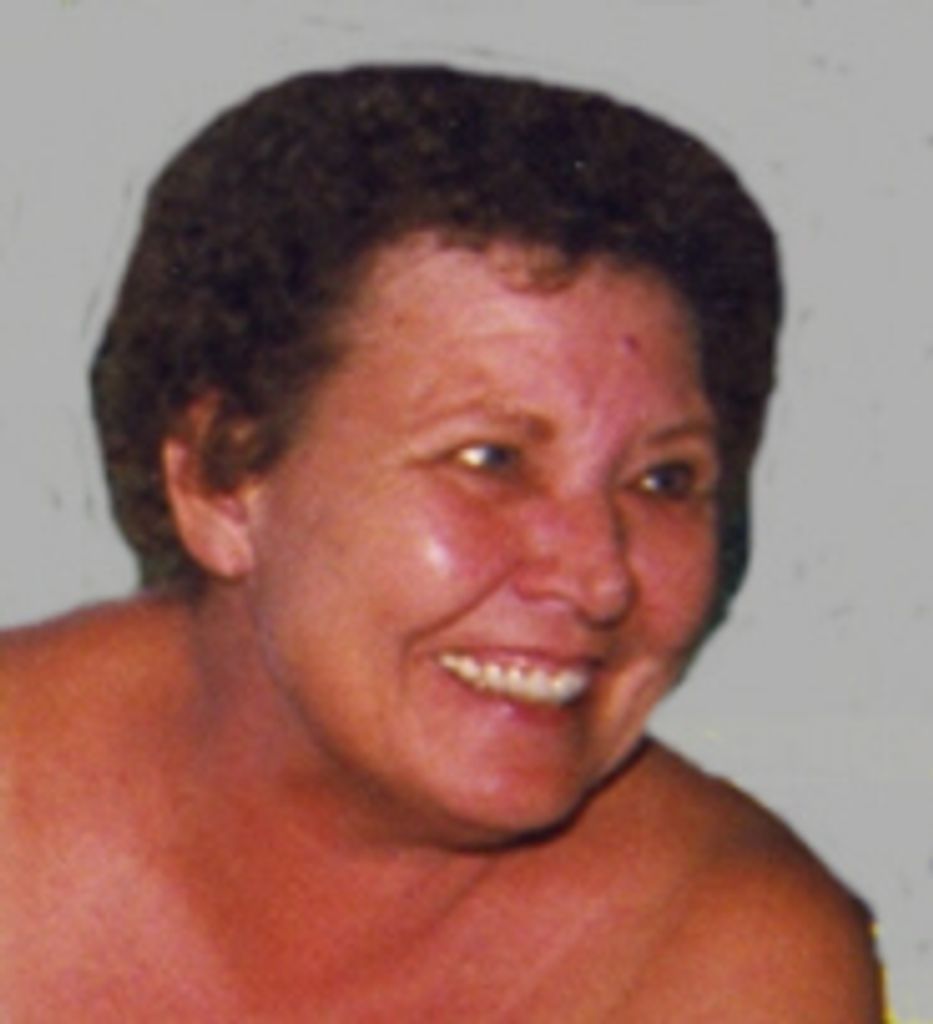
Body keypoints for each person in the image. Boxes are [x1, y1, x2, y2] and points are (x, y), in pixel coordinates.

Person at [0, 65, 883, 1020]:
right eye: (489, 460)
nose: (598, 577)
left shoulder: (721, 961)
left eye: (664, 481)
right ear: (222, 481)